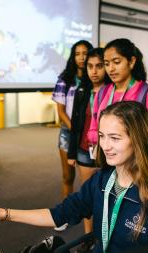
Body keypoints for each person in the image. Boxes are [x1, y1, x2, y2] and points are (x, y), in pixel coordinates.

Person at [0, 101, 148, 253]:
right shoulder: (102, 181)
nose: (105, 146)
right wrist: (4, 214)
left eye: (115, 138)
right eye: (101, 136)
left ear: (139, 140)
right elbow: (59, 214)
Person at [87, 38, 148, 151]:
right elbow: (92, 130)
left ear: (131, 62)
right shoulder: (102, 93)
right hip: (107, 159)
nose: (111, 69)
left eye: (117, 62)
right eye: (107, 64)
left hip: (136, 164)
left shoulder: (147, 93)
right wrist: (107, 139)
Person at [67, 48, 110, 248]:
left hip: (107, 152)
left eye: (99, 66)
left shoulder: (112, 92)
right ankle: (88, 239)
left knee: (107, 194)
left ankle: (104, 238)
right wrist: (71, 152)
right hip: (85, 150)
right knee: (87, 195)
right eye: (90, 66)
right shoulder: (82, 91)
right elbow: (75, 125)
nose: (94, 71)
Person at [52, 40, 93, 231]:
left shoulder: (93, 78)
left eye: (85, 53)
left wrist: (84, 131)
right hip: (69, 133)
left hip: (88, 135)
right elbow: (60, 112)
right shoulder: (64, 79)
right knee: (68, 177)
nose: (82, 57)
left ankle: (91, 222)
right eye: (78, 53)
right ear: (73, 56)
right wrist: (76, 129)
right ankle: (65, 215)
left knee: (89, 181)